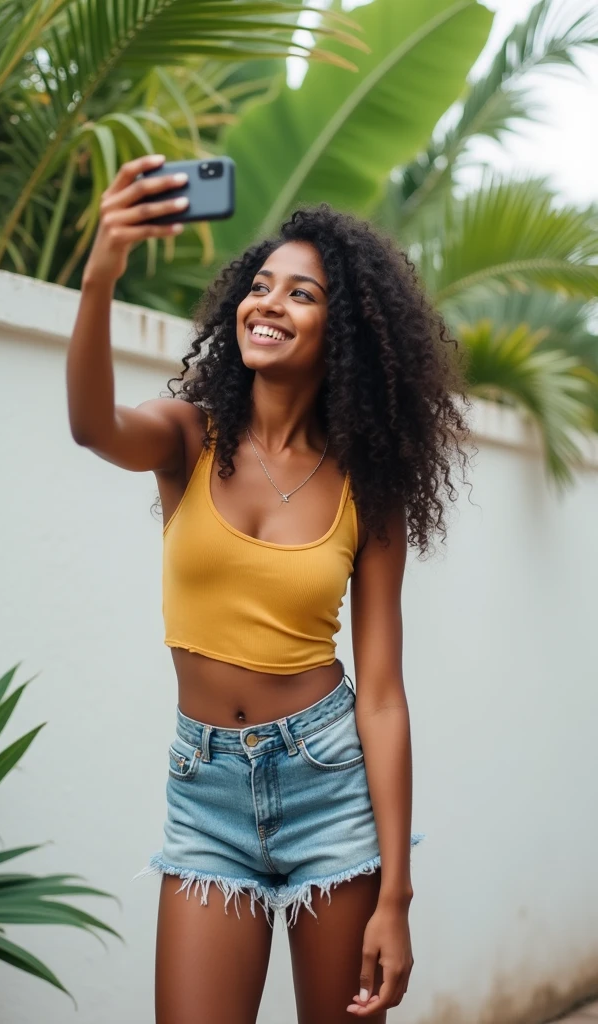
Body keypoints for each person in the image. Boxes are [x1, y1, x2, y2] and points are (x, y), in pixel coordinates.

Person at [66, 154, 471, 1024]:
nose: (268, 303)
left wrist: (396, 896)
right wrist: (102, 271)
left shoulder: (370, 486)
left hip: (329, 785)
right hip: (205, 790)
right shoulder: (190, 435)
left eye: (301, 294)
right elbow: (91, 425)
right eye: (260, 284)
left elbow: (386, 698)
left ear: (345, 334)